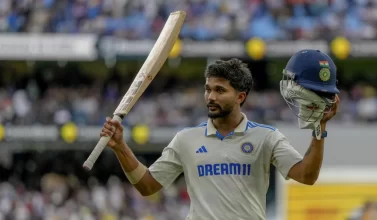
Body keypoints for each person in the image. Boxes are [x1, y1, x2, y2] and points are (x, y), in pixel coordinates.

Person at [101, 54, 339, 220]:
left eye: (220, 90)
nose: (210, 97)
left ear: (240, 97)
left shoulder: (267, 137)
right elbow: (147, 186)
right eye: (208, 89)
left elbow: (307, 176)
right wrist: (121, 147)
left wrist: (319, 129)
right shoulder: (186, 139)